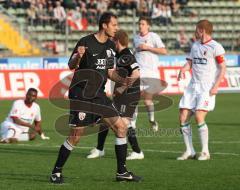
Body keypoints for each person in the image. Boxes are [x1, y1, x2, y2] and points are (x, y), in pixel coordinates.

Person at [50, 12, 142, 184]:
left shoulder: (110, 46)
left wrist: (124, 80)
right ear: (104, 25)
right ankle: (56, 172)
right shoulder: (85, 41)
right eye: (114, 25)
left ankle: (121, 172)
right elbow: (71, 65)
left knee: (121, 128)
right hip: (81, 94)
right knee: (76, 135)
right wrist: (78, 56)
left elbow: (109, 72)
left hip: (99, 95)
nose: (117, 28)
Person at [87, 30, 144, 160]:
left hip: (129, 95)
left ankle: (137, 152)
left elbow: (136, 73)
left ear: (117, 41)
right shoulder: (118, 55)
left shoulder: (126, 55)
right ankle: (99, 149)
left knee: (123, 123)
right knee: (107, 118)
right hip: (121, 95)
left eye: (113, 40)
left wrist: (122, 87)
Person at [177, 19, 226, 161]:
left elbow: (223, 67)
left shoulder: (216, 47)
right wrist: (183, 69)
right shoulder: (195, 45)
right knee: (183, 116)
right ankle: (189, 151)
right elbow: (190, 62)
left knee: (199, 116)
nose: (195, 31)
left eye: (197, 29)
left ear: (202, 30)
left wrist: (216, 86)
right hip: (193, 86)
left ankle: (205, 152)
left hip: (207, 87)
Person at [132, 16, 167, 132]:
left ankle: (152, 120)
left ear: (148, 26)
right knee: (134, 99)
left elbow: (164, 51)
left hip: (151, 73)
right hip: (139, 72)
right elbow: (135, 53)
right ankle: (132, 125)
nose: (140, 26)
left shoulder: (153, 36)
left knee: (147, 100)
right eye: (139, 24)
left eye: (143, 24)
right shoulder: (136, 38)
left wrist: (148, 47)